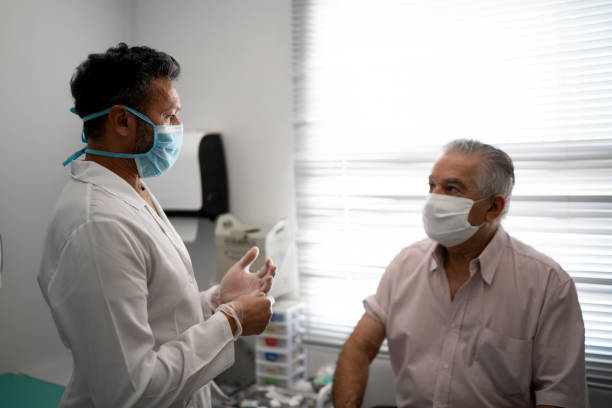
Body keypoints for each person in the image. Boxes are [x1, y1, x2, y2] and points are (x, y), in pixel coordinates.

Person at [38, 43, 276, 408]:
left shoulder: (132, 192)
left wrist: (218, 300)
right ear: (122, 120)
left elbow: (161, 318)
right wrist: (233, 321)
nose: (178, 129)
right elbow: (131, 391)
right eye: (169, 117)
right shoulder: (98, 225)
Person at [333, 140, 587, 408]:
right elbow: (359, 347)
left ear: (493, 207)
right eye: (432, 186)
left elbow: (559, 397)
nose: (434, 199)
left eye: (451, 189)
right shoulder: (405, 265)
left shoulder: (547, 285)